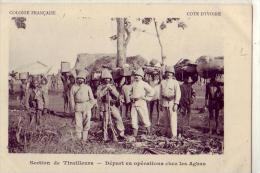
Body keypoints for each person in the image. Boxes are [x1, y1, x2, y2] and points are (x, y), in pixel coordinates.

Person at [96, 69, 125, 141]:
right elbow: (99, 95)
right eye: (105, 78)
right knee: (105, 121)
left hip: (112, 105)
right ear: (103, 79)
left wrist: (111, 89)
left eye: (108, 78)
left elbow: (117, 95)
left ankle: (121, 134)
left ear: (110, 78)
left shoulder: (113, 86)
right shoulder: (100, 87)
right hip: (104, 105)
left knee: (118, 118)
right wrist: (106, 89)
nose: (107, 79)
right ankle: (105, 137)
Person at [70, 71, 95, 141]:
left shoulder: (87, 87)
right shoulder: (73, 87)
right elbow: (71, 99)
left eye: (82, 78)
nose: (80, 80)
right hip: (78, 106)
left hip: (86, 106)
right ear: (77, 79)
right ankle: (78, 139)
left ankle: (84, 139)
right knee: (78, 123)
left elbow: (92, 98)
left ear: (84, 80)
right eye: (79, 78)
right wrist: (73, 108)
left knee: (87, 123)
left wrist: (90, 105)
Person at [129, 68, 154, 137]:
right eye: (136, 75)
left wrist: (145, 98)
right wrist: (131, 96)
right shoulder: (133, 83)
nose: (137, 77)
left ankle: (149, 133)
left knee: (144, 117)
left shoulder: (144, 84)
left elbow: (152, 91)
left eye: (138, 75)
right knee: (133, 119)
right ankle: (134, 135)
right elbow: (129, 92)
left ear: (141, 77)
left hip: (141, 103)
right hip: (134, 103)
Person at [160, 66, 181, 138]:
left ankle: (173, 135)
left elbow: (178, 93)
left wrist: (176, 103)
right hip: (164, 102)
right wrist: (160, 103)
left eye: (170, 73)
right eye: (167, 73)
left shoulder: (175, 82)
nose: (169, 74)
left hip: (172, 102)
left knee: (173, 119)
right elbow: (160, 93)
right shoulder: (162, 82)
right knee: (165, 119)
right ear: (165, 74)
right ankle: (166, 132)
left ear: (173, 74)